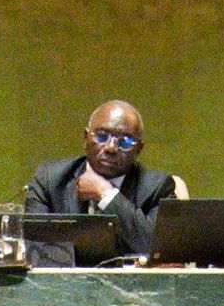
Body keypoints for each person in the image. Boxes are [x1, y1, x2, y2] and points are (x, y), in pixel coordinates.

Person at [23, 100, 178, 262]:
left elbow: (158, 249)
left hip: (132, 286)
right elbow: (34, 249)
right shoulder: (50, 180)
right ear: (85, 138)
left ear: (139, 149)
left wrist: (107, 194)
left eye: (125, 141)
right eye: (102, 136)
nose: (111, 148)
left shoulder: (157, 187)